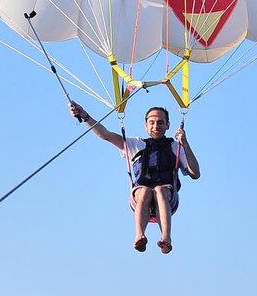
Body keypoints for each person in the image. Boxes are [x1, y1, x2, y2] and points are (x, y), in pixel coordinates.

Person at [69, 101, 200, 253]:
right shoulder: (136, 144)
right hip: (139, 195)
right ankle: (139, 235)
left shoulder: (175, 147)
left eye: (160, 122)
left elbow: (195, 173)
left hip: (168, 196)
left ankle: (166, 238)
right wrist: (84, 116)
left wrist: (185, 143)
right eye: (152, 122)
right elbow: (105, 135)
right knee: (145, 190)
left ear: (168, 125)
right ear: (146, 125)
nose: (155, 126)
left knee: (159, 190)